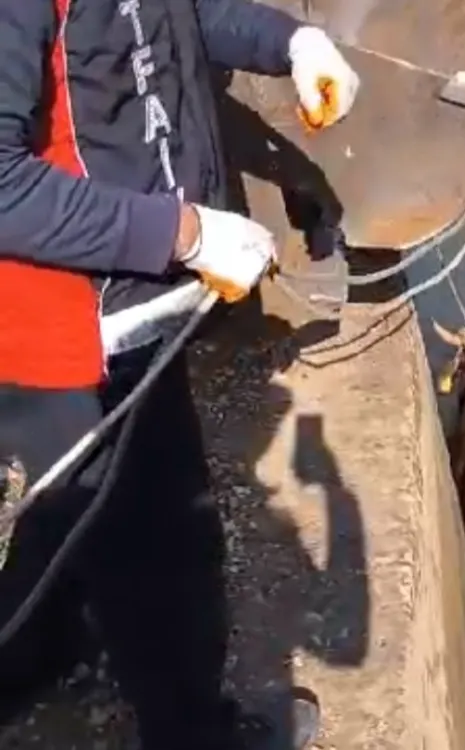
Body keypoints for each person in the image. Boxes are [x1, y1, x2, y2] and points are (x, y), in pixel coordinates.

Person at [0, 0, 360, 748]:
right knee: (169, 547)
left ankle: (35, 653)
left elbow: (181, 13)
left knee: (74, 507)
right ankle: (194, 732)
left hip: (129, 298)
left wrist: (292, 42)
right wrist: (184, 234)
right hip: (74, 328)